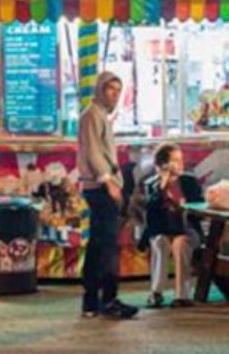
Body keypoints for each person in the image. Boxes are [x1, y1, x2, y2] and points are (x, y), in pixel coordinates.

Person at [77, 71, 138, 319]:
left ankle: (92, 300)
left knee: (99, 244)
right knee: (107, 246)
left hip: (101, 185)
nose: (114, 94)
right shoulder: (92, 115)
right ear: (100, 90)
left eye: (117, 90)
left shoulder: (98, 115)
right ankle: (107, 298)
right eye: (110, 89)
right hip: (100, 187)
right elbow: (93, 152)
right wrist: (109, 182)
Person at [141, 143, 203, 308]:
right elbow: (150, 210)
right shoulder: (151, 184)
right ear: (163, 165)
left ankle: (181, 295)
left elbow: (200, 205)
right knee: (161, 242)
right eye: (175, 160)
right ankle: (156, 293)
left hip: (186, 228)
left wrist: (184, 206)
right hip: (161, 230)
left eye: (181, 159)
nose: (181, 164)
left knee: (180, 243)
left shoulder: (189, 181)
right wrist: (163, 185)